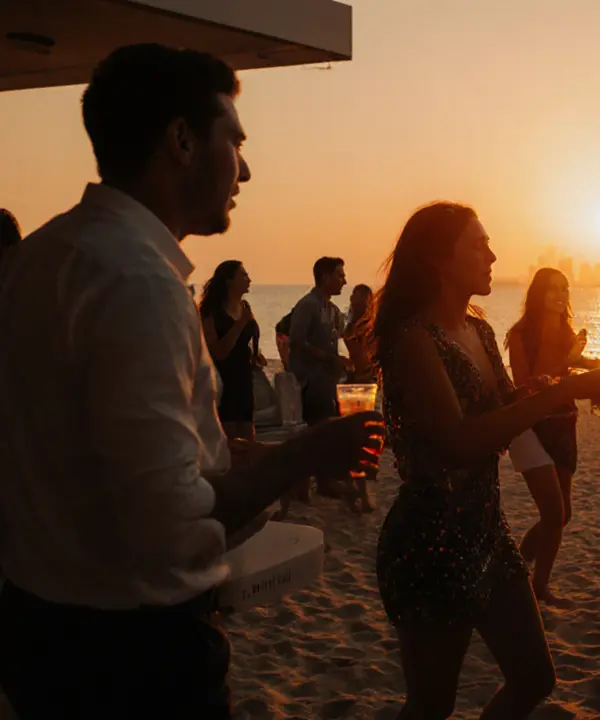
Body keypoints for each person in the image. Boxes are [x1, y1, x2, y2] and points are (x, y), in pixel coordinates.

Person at [0, 44, 383, 720]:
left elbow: (97, 453)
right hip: (129, 660)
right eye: (234, 141)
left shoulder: (39, 259)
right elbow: (169, 530)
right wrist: (307, 453)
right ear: (181, 140)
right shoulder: (137, 283)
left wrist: (252, 457)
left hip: (38, 632)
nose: (246, 168)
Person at [369, 202, 600, 718]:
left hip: (487, 529)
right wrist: (566, 390)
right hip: (430, 540)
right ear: (439, 259)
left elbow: (507, 408)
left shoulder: (480, 329)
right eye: (478, 244)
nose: (493, 255)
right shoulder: (412, 339)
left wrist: (591, 382)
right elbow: (460, 442)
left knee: (535, 676)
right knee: (431, 703)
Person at [505, 268, 600, 604]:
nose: (560, 294)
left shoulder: (567, 331)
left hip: (564, 422)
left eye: (565, 289)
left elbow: (573, 367)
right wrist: (561, 366)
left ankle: (525, 573)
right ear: (538, 293)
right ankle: (533, 583)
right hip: (532, 427)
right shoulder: (521, 334)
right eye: (553, 288)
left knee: (562, 514)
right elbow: (525, 388)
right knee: (553, 512)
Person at [288, 256, 351, 502]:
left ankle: (324, 480)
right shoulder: (308, 305)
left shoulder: (331, 309)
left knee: (327, 429)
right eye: (339, 275)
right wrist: (327, 357)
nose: (344, 281)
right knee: (317, 430)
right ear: (325, 277)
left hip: (327, 381)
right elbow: (296, 340)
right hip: (310, 381)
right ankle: (311, 484)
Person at [200, 260, 265, 441]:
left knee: (248, 438)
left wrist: (256, 354)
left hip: (244, 380)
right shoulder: (211, 312)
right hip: (223, 381)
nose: (249, 279)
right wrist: (240, 324)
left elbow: (245, 340)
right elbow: (218, 352)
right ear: (229, 281)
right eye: (243, 275)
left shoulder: (244, 307)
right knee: (228, 441)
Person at [344, 283, 377, 383]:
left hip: (366, 376)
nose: (351, 297)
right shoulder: (350, 323)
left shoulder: (368, 326)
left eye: (355, 294)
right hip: (355, 374)